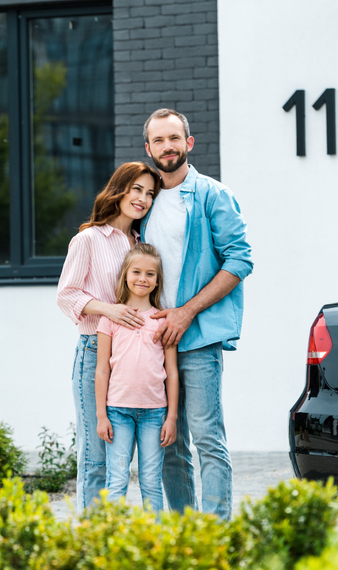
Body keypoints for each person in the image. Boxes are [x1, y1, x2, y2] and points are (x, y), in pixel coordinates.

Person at [141, 108, 254, 519]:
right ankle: (189, 533)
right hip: (156, 343)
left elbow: (239, 260)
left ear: (188, 143)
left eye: (174, 138)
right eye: (159, 140)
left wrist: (186, 312)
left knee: (208, 439)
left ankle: (217, 534)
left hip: (198, 338)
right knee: (167, 442)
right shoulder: (145, 201)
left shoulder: (211, 194)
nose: (167, 147)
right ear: (148, 148)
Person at [57, 162, 161, 513]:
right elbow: (66, 295)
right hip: (94, 354)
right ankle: (92, 540)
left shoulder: (140, 243)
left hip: (137, 359)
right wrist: (108, 309)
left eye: (149, 193)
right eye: (137, 189)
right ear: (119, 189)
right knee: (96, 456)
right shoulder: (87, 239)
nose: (143, 199)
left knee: (131, 466)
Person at [95, 243, 178, 512]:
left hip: (155, 413)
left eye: (150, 274)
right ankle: (110, 541)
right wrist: (101, 416)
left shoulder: (163, 320)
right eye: (137, 272)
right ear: (126, 275)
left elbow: (172, 373)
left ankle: (153, 544)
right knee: (117, 480)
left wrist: (172, 417)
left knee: (151, 481)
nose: (143, 279)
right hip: (117, 411)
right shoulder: (110, 318)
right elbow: (102, 369)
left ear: (157, 281)